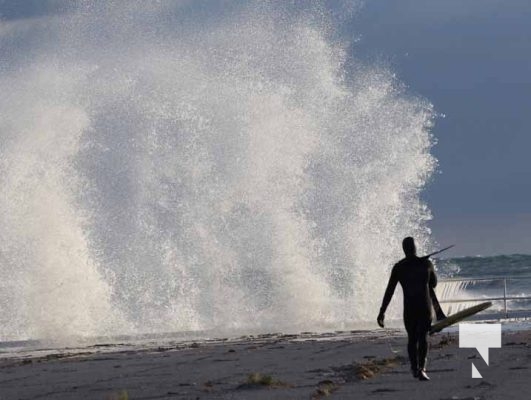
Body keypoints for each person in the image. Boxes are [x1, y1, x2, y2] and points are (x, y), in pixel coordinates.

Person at [377, 237, 438, 381]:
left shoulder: (399, 267)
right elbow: (433, 284)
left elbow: (389, 291)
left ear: (404, 250)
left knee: (412, 339)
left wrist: (382, 311)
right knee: (423, 337)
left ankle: (414, 367)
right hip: (424, 307)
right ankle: (422, 368)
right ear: (415, 248)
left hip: (409, 308)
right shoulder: (426, 264)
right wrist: (428, 268)